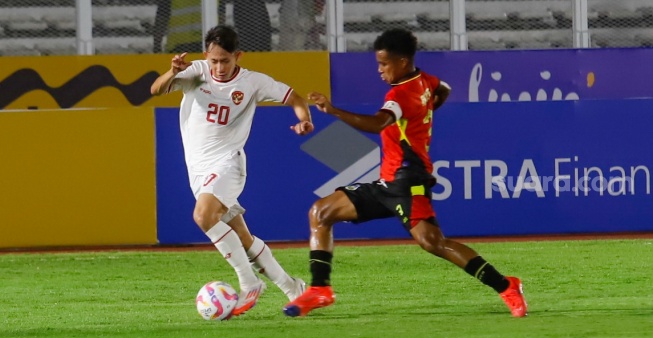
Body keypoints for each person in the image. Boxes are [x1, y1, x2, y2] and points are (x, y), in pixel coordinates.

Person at [283, 28, 528, 318]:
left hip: (408, 180)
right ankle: (320, 290)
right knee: (321, 212)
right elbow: (443, 90)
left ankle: (506, 286)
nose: (379, 70)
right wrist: (424, 117)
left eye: (383, 64)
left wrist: (333, 110)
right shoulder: (425, 80)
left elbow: (377, 124)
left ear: (401, 62)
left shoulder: (401, 94)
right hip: (389, 182)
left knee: (433, 243)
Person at [150, 25, 314, 316]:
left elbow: (296, 99)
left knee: (203, 215)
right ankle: (293, 288)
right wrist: (173, 71)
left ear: (238, 56)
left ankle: (249, 282)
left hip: (228, 164)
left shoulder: (253, 82)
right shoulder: (196, 72)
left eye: (225, 60)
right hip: (198, 173)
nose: (219, 67)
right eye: (214, 60)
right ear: (206, 56)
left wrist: (304, 120)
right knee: (243, 239)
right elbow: (156, 89)